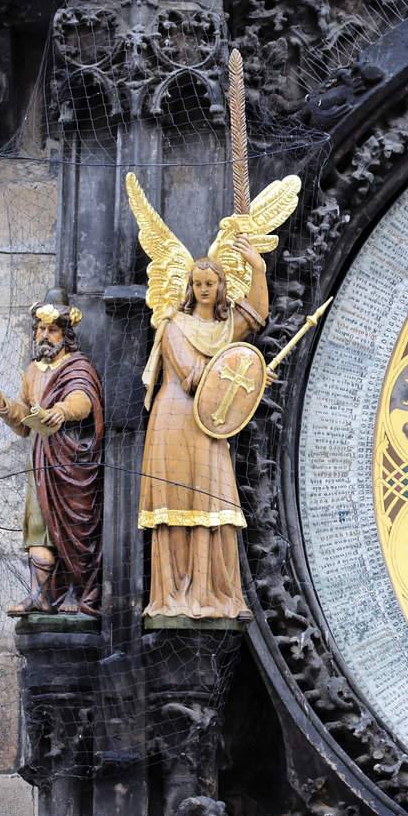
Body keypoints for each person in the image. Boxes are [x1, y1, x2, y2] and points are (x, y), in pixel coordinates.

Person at [140, 246, 266, 618]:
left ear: (221, 285)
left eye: (210, 283)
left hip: (211, 423)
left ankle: (216, 594)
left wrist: (257, 268)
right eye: (197, 283)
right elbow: (193, 376)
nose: (204, 289)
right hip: (176, 419)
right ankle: (176, 595)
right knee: (179, 503)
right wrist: (241, 370)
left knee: (216, 501)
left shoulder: (226, 328)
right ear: (190, 287)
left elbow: (257, 313)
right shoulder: (173, 326)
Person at [0, 291, 104, 615]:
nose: (43, 336)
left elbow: (84, 399)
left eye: (51, 330)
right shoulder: (32, 371)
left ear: (66, 334)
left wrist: (62, 411)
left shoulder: (78, 366)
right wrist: (4, 406)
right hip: (41, 461)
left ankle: (81, 595)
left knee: (77, 531)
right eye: (39, 329)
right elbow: (24, 425)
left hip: (72, 463)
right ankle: (41, 596)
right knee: (38, 528)